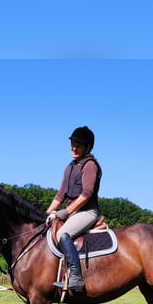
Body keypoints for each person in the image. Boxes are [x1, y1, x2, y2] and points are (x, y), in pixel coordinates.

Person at [45, 125, 102, 292]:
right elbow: (60, 195)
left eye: (78, 145)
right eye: (72, 144)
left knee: (63, 234)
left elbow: (87, 194)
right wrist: (47, 214)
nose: (74, 148)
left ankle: (76, 277)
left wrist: (65, 212)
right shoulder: (69, 167)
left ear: (88, 147)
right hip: (72, 212)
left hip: (87, 212)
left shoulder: (90, 165)